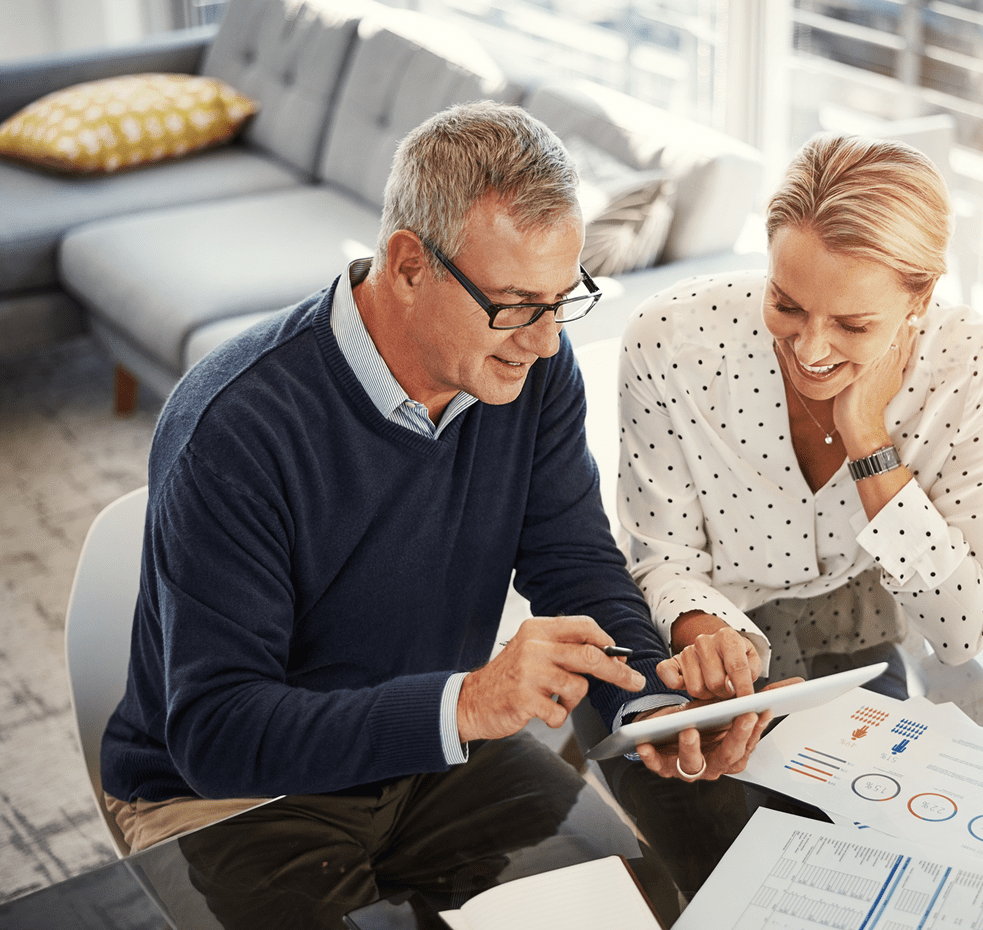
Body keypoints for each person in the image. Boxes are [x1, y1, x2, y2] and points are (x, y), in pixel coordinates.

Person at [97, 102, 772, 924]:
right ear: (409, 264)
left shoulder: (526, 371)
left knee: (636, 907)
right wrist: (467, 704)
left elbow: (573, 559)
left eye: (564, 299)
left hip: (433, 754)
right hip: (236, 794)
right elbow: (216, 734)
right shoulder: (236, 427)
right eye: (519, 303)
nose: (549, 340)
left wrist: (645, 705)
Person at [618, 130, 983, 723]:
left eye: (853, 325)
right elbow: (663, 556)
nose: (809, 350)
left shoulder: (975, 366)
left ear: (922, 297)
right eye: (786, 304)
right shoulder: (669, 341)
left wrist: (868, 440)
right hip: (704, 628)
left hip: (857, 631)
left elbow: (963, 633)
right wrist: (710, 643)